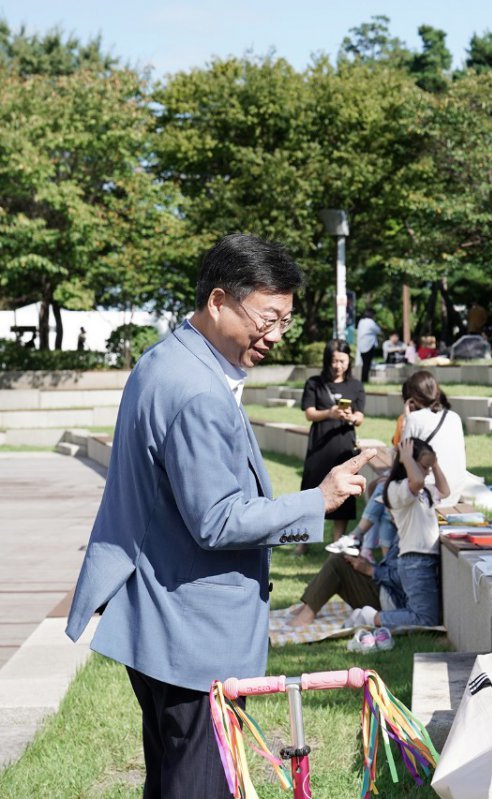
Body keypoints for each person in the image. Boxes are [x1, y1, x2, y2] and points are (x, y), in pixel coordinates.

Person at [65, 233, 372, 797]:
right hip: (191, 632)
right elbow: (218, 520)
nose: (275, 336)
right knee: (199, 782)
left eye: (284, 321)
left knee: (173, 777)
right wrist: (318, 499)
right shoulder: (197, 391)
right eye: (267, 318)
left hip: (160, 623)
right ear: (218, 301)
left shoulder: (166, 359)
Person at [289, 437, 446, 632]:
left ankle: (309, 610)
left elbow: (442, 490)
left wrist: (434, 463)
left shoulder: (415, 511)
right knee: (339, 560)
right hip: (390, 592)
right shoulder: (401, 496)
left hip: (390, 594)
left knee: (339, 563)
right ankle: (308, 608)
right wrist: (406, 458)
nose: (427, 471)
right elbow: (402, 574)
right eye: (424, 466)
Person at [298, 339, 366, 554]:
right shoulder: (314, 383)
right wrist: (330, 413)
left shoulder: (356, 386)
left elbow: (360, 416)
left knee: (344, 492)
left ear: (349, 361)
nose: (338, 365)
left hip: (344, 444)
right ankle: (304, 542)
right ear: (328, 361)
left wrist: (352, 418)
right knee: (311, 491)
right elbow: (309, 413)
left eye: (342, 361)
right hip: (320, 444)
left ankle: (337, 542)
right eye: (334, 361)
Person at [400, 370, 471, 502]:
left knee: (381, 488)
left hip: (431, 492)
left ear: (413, 397)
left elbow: (402, 459)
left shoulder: (414, 419)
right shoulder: (454, 417)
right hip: (454, 490)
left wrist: (406, 418)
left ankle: (366, 523)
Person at [356, 309, 383, 383]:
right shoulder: (371, 322)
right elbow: (378, 330)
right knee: (367, 364)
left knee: (364, 363)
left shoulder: (361, 322)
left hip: (361, 345)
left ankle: (363, 379)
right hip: (369, 345)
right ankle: (365, 379)